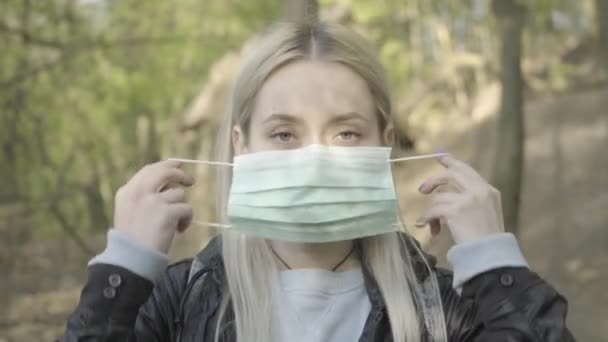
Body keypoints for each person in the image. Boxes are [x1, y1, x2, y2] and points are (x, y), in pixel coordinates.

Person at [59, 22, 573, 342]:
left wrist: (495, 265)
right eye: (284, 134)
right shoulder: (182, 299)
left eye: (346, 132)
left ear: (384, 141)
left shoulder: (440, 309)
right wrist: (122, 271)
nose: (315, 160)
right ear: (241, 144)